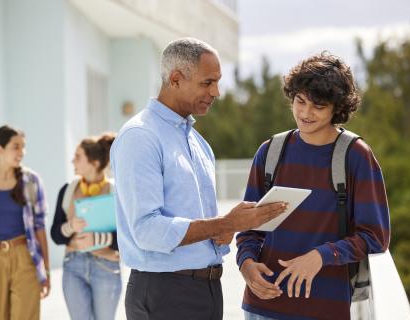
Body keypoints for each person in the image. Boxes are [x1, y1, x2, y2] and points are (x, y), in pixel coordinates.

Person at [110, 37, 287, 320]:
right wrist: (227, 223)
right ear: (176, 79)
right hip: (164, 294)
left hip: (206, 290)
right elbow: (146, 230)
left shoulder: (199, 143)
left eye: (217, 81)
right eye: (207, 82)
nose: (216, 92)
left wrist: (223, 231)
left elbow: (200, 222)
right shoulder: (140, 137)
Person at [236, 52, 391, 320]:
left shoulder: (356, 156)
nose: (305, 113)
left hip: (325, 309)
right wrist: (246, 264)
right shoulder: (271, 151)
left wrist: (322, 256)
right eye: (300, 101)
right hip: (263, 306)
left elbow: (375, 237)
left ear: (337, 108)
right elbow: (250, 228)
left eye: (318, 106)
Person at [0, 125, 50, 320]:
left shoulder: (31, 181)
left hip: (24, 257)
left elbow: (40, 228)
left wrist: (46, 270)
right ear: (0, 149)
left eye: (23, 147)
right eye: (16, 147)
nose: (21, 152)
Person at [50, 132, 121, 320]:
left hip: (107, 267)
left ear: (95, 163)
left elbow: (127, 237)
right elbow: (56, 235)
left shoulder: (116, 192)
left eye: (78, 157)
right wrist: (71, 226)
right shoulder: (67, 190)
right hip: (73, 266)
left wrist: (97, 239)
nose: (73, 161)